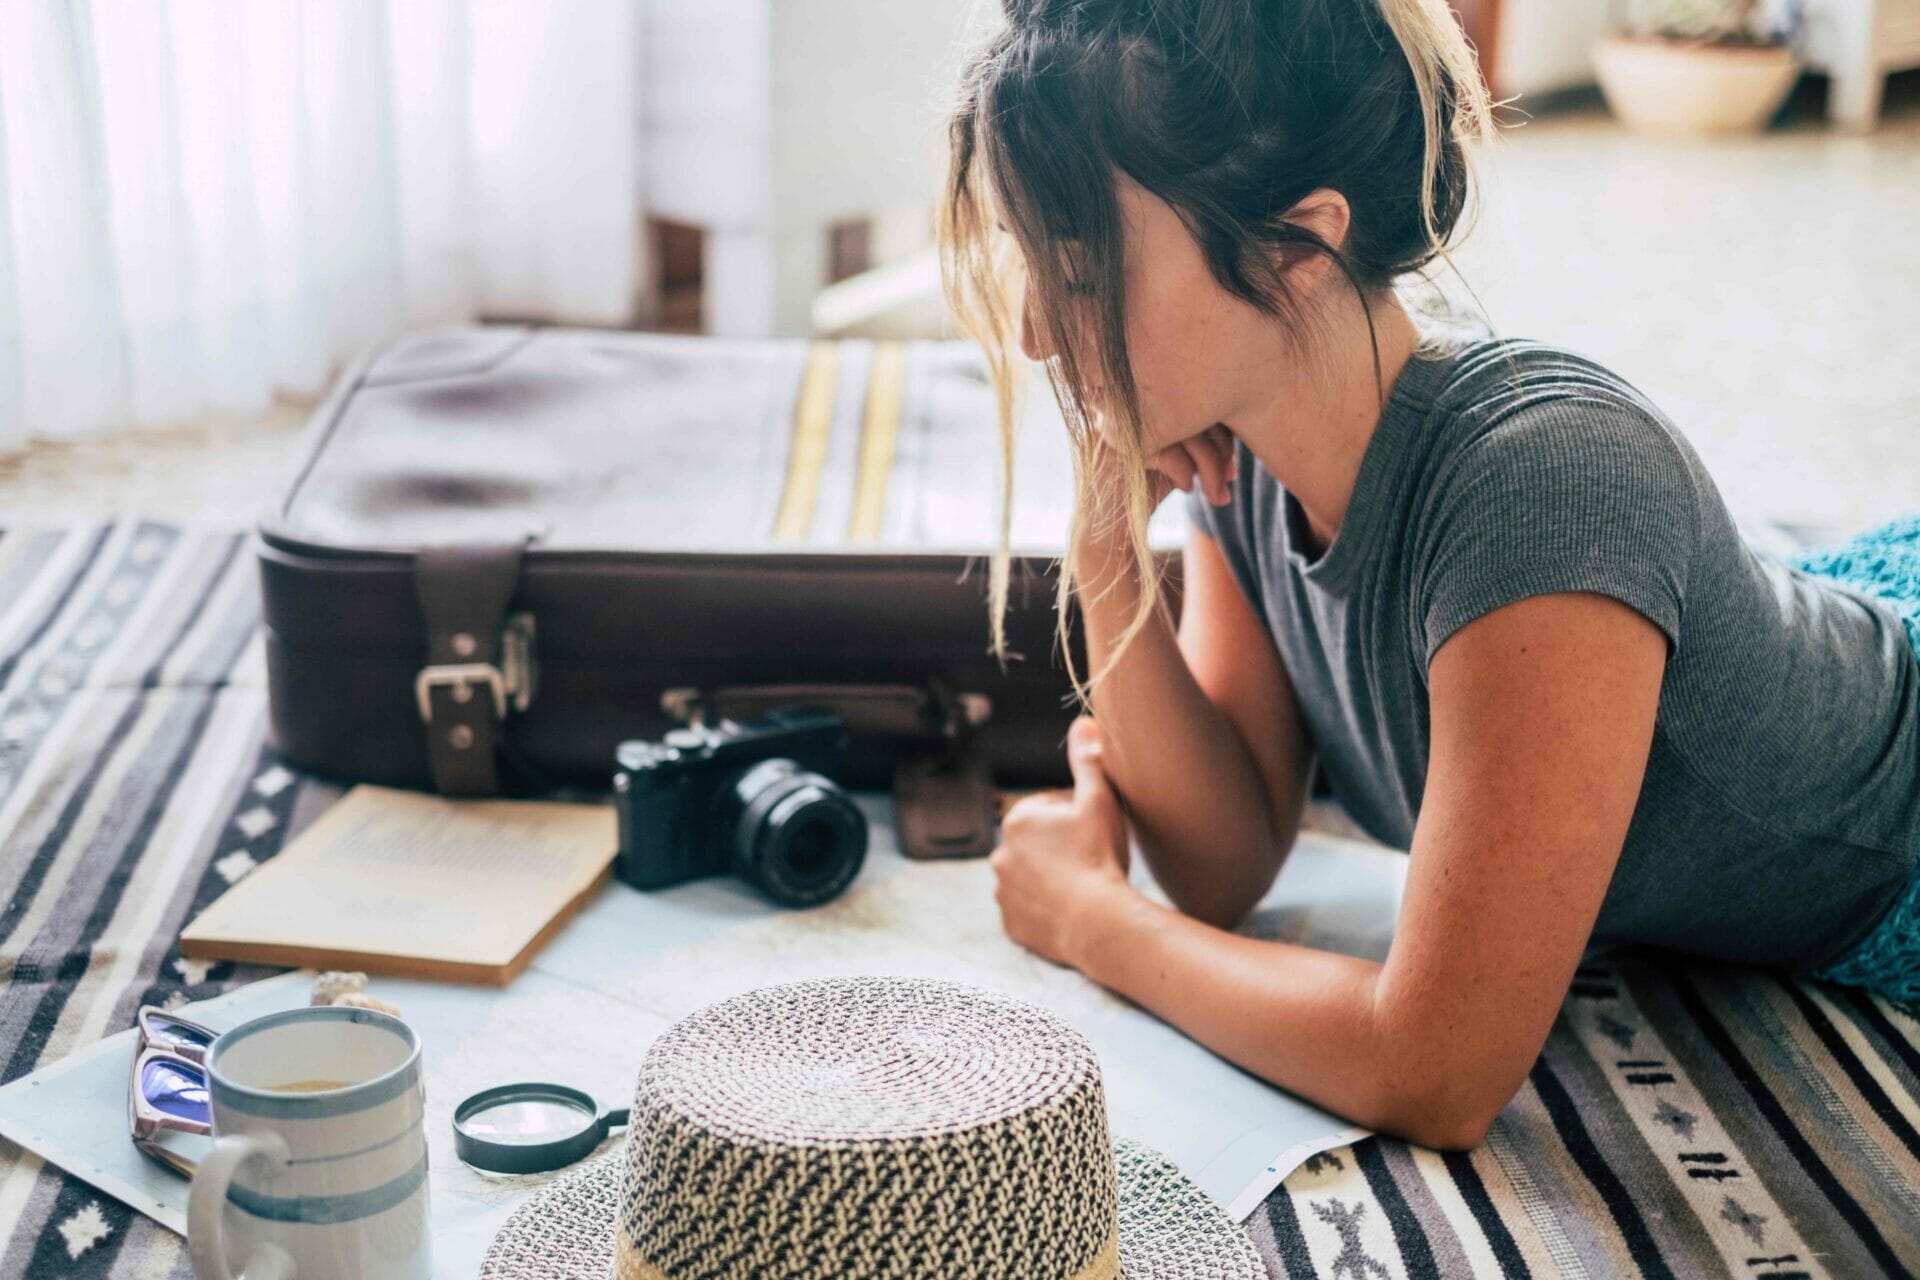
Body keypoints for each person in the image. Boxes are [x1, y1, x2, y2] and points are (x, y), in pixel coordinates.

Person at [938, 0, 1920, 1150]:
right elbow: (1222, 860)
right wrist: (1106, 543)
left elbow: (1436, 1067)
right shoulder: (1247, 439)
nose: (1040, 339)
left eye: (1080, 269)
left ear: (1296, 251)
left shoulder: (1546, 484)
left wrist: (1094, 919)